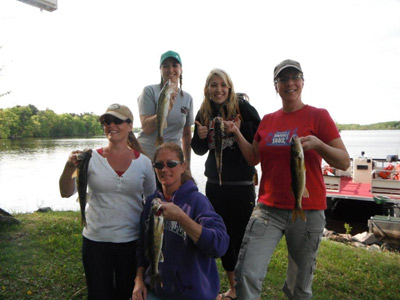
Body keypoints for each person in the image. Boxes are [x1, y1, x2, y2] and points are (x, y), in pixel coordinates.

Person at [225, 59, 350, 300]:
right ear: (276, 86)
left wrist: (319, 145)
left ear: (302, 82)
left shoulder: (319, 116)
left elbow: (344, 161)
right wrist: (237, 133)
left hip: (308, 209)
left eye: (294, 77)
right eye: (283, 79)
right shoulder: (268, 120)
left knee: (298, 286)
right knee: (246, 272)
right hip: (267, 209)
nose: (289, 83)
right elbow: (253, 158)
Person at [59, 103, 156, 300]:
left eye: (117, 121)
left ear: (130, 125)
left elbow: (152, 200)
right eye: (106, 121)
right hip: (95, 241)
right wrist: (69, 167)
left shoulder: (144, 163)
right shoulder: (89, 158)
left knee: (126, 294)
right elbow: (65, 192)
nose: (111, 125)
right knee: (98, 295)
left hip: (131, 242)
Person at [191, 68, 261, 300]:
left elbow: (260, 134)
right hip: (215, 185)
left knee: (241, 238)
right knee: (223, 236)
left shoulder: (242, 107)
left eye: (222, 85)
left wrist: (241, 129)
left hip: (241, 184)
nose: (218, 89)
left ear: (229, 87)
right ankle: (233, 287)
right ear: (207, 89)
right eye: (213, 85)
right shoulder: (204, 111)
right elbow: (199, 150)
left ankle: (244, 287)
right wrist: (199, 136)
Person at [132, 142, 229, 300]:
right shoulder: (152, 202)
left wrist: (181, 218)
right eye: (158, 165)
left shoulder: (197, 202)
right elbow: (142, 247)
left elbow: (219, 246)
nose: (164, 169)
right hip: (157, 290)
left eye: (171, 164)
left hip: (192, 294)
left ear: (183, 167)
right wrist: (139, 280)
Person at [137, 50, 194, 167]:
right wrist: (165, 110)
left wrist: (187, 164)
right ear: (160, 70)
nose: (170, 69)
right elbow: (146, 128)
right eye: (166, 66)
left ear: (181, 69)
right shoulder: (149, 91)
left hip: (173, 161)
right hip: (147, 156)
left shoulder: (187, 98)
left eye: (175, 65)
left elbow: (187, 135)